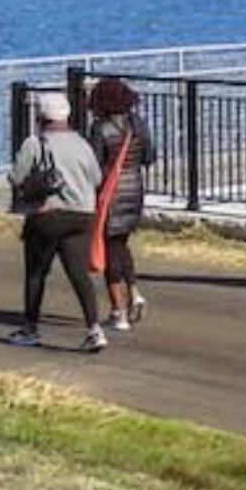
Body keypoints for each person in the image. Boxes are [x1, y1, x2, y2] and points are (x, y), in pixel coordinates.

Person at [7, 93, 106, 352]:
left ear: (40, 116)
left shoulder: (34, 143)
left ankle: (30, 328)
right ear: (67, 116)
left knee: (36, 273)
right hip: (81, 215)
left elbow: (16, 177)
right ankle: (94, 329)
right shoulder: (82, 143)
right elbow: (96, 178)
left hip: (47, 215)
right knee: (78, 273)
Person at [87, 76, 157, 332]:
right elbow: (150, 157)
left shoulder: (100, 127)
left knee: (110, 249)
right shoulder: (137, 124)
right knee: (121, 243)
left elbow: (94, 165)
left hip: (110, 193)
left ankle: (119, 311)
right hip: (135, 189)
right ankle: (135, 291)